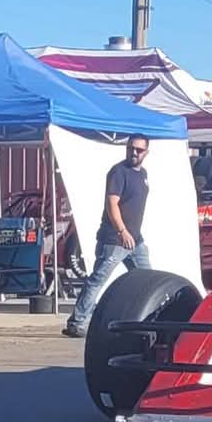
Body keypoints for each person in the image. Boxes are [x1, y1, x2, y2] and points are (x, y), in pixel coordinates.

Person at [63, 136, 152, 337]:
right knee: (98, 279)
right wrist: (122, 231)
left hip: (135, 240)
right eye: (131, 148)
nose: (134, 153)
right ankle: (77, 322)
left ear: (146, 152)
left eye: (139, 150)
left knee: (147, 280)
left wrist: (132, 234)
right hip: (115, 239)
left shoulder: (143, 175)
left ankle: (148, 320)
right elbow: (112, 204)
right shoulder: (119, 172)